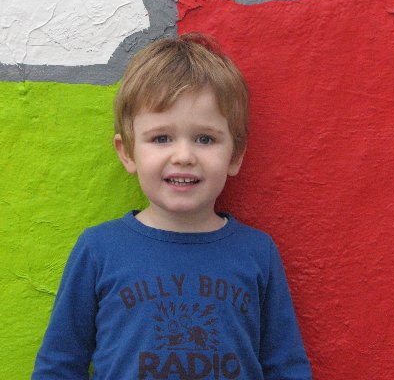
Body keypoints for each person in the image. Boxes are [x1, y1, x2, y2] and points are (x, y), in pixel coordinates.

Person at [31, 33, 312, 379]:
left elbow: (286, 367)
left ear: (235, 155)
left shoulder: (258, 253)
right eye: (161, 138)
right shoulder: (98, 250)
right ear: (127, 152)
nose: (184, 156)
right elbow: (59, 365)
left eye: (205, 139)